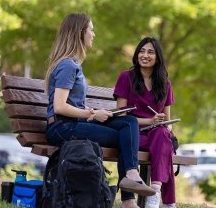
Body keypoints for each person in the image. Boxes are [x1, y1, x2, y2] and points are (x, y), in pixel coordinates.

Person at [45, 13, 156, 208]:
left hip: (74, 123)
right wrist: (92, 114)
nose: (93, 34)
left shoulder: (72, 64)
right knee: (126, 137)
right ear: (81, 33)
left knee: (128, 122)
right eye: (91, 29)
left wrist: (92, 111)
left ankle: (131, 178)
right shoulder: (68, 66)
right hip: (63, 128)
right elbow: (59, 106)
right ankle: (129, 198)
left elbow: (72, 103)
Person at [114, 37, 176, 208]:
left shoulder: (165, 83)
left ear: (158, 57)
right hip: (132, 135)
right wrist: (149, 120)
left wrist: (165, 126)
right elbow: (121, 116)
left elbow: (167, 119)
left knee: (163, 134)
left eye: (150, 52)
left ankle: (154, 192)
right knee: (164, 145)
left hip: (155, 136)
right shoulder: (126, 77)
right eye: (142, 51)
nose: (145, 55)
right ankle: (168, 202)